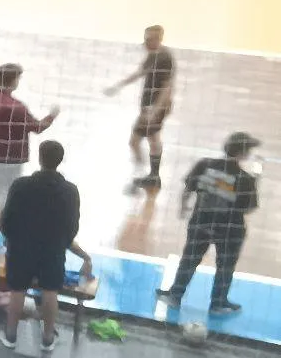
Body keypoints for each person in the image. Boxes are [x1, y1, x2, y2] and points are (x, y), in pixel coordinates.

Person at [0, 140, 90, 353]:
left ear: (39, 158)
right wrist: (61, 243)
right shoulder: (70, 191)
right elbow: (72, 225)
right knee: (50, 291)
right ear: (60, 161)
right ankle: (47, 339)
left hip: (21, 247)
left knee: (17, 290)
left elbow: (6, 219)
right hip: (52, 250)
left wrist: (11, 239)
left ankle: (10, 336)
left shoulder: (20, 185)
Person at [157, 132, 261, 315]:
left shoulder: (204, 164)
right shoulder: (245, 178)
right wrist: (256, 182)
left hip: (201, 222)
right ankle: (218, 303)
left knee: (190, 259)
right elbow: (249, 208)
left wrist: (183, 207)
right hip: (230, 230)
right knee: (225, 266)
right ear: (243, 153)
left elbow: (188, 188)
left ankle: (175, 295)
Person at [0, 64, 59, 238]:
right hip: (10, 158)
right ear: (14, 81)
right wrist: (52, 116)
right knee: (8, 193)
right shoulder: (17, 107)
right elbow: (37, 127)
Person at [104, 24, 174, 191]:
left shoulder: (164, 58)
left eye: (149, 39)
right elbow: (140, 72)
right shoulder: (153, 55)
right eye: (145, 39)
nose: (145, 42)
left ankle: (145, 174)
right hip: (149, 107)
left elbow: (167, 87)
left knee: (137, 141)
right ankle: (152, 176)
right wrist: (118, 86)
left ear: (158, 39)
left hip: (154, 108)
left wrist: (155, 110)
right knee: (151, 139)